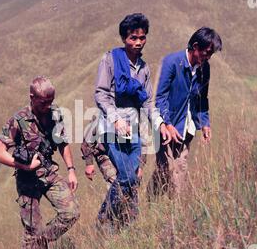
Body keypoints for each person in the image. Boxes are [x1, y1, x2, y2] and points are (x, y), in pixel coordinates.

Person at [94, 13, 171, 228]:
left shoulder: (144, 68)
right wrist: (116, 120)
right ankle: (104, 217)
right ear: (124, 38)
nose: (138, 42)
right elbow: (101, 94)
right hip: (112, 129)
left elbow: (147, 103)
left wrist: (160, 124)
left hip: (134, 130)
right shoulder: (110, 60)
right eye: (133, 38)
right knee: (127, 177)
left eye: (142, 38)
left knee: (133, 180)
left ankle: (121, 226)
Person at [0, 76, 80, 249]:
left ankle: (42, 241)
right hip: (27, 181)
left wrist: (71, 169)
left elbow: (62, 143)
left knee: (71, 213)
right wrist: (24, 165)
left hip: (49, 173)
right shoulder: (18, 121)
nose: (47, 106)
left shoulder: (55, 115)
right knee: (31, 229)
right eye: (43, 103)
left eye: (50, 101)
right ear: (31, 97)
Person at [148, 27, 222, 199]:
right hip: (167, 127)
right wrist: (166, 123)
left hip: (186, 128)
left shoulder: (205, 69)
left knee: (180, 168)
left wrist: (205, 123)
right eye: (206, 52)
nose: (208, 57)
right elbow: (160, 96)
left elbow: (203, 98)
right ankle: (152, 202)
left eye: (211, 54)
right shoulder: (172, 62)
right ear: (195, 46)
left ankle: (176, 212)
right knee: (164, 168)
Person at [80, 114, 147, 225]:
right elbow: (87, 141)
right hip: (104, 154)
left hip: (126, 153)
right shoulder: (103, 115)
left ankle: (130, 220)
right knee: (118, 181)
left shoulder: (133, 113)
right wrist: (89, 164)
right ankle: (106, 218)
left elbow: (142, 142)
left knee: (132, 183)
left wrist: (140, 165)